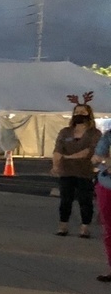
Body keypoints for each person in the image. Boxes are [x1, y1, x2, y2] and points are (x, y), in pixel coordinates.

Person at [52, 98, 101, 237]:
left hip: (85, 172)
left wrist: (67, 157)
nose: (79, 114)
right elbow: (57, 150)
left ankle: (84, 227)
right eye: (77, 111)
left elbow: (89, 151)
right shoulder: (65, 132)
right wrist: (56, 165)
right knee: (65, 199)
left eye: (83, 112)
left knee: (85, 200)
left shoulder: (94, 133)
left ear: (89, 114)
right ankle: (63, 226)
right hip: (66, 171)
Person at [92, 128, 111, 281]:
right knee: (109, 229)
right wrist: (104, 161)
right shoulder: (108, 136)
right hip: (107, 185)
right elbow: (96, 158)